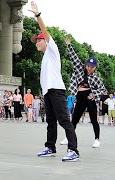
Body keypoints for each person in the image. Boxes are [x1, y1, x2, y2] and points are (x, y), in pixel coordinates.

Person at [29, 1, 79, 161]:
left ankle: (74, 150)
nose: (36, 42)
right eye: (36, 41)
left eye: (38, 40)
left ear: (46, 41)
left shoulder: (52, 50)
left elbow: (44, 30)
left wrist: (38, 15)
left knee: (64, 120)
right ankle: (50, 146)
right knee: (50, 121)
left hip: (57, 90)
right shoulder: (45, 58)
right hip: (48, 92)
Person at [59, 37, 106, 148]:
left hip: (90, 96)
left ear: (95, 68)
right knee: (74, 118)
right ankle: (68, 137)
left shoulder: (96, 77)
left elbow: (102, 89)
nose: (89, 68)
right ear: (85, 65)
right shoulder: (79, 69)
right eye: (88, 66)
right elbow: (74, 57)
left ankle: (97, 139)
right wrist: (69, 45)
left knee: (94, 119)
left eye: (92, 67)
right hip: (80, 95)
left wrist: (94, 94)